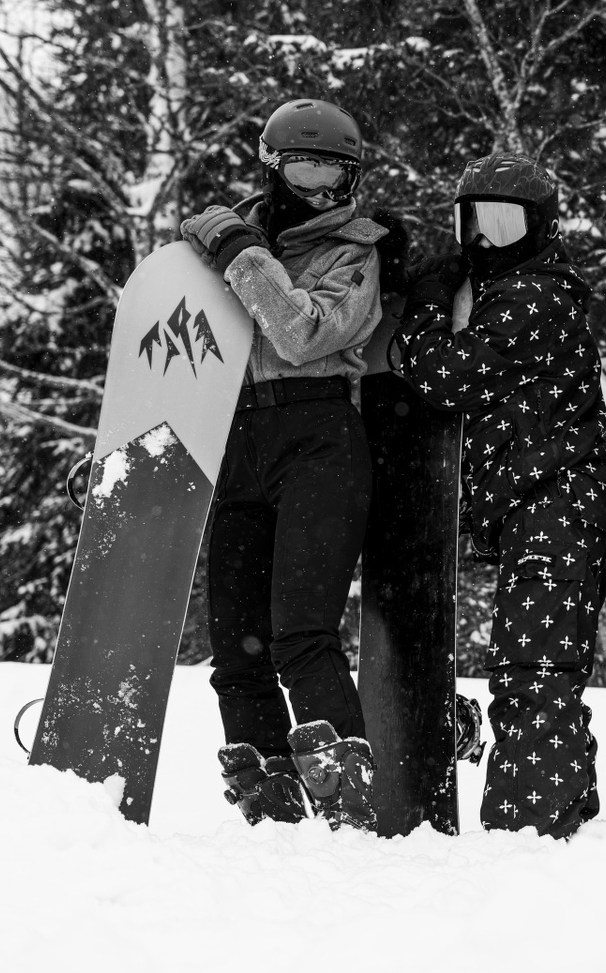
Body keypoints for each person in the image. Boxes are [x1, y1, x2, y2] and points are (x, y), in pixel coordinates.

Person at [387, 153, 606, 839]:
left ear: (540, 227)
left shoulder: (535, 296)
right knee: (540, 670)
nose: (484, 241)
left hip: (558, 506)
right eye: (473, 223)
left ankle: (529, 834)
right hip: (547, 506)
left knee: (532, 673)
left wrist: (426, 307)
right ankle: (564, 822)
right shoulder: (509, 292)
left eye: (503, 224)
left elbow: (446, 377)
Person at [180, 97, 385, 830]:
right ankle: (270, 810)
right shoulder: (229, 240)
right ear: (273, 168)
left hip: (319, 438)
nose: (321, 188)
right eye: (304, 169)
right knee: (237, 647)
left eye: (335, 172)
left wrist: (240, 251)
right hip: (238, 440)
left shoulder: (355, 251)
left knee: (301, 632)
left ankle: (349, 801)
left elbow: (300, 333)